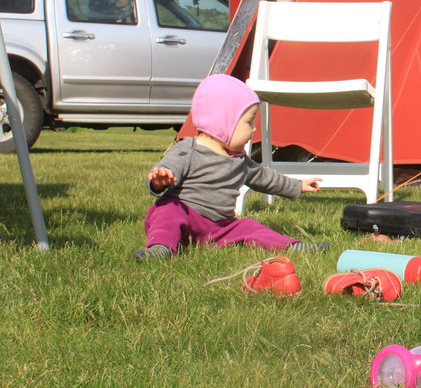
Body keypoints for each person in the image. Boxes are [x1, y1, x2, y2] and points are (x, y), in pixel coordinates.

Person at [134, 73, 328, 259]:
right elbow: (167, 169)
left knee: (249, 226)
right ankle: (160, 248)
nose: (254, 129)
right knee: (168, 210)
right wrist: (160, 181)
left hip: (221, 226)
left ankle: (292, 246)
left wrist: (297, 185)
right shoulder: (188, 150)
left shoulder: (239, 160)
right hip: (186, 218)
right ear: (223, 123)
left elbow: (265, 178)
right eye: (248, 123)